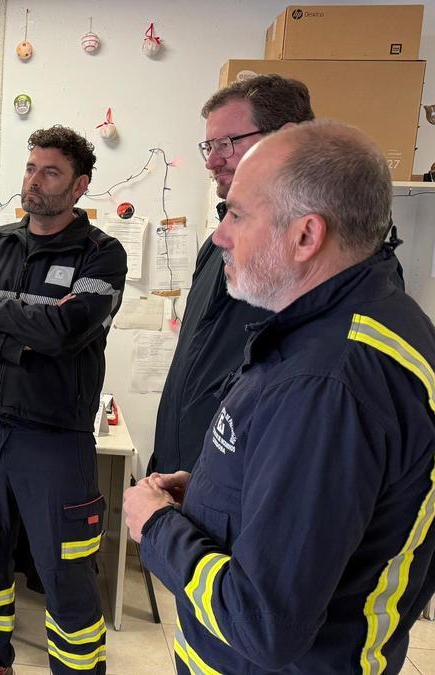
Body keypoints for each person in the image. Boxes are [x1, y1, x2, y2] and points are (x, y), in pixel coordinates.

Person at [125, 121, 435, 674]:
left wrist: (157, 526)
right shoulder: (378, 317)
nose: (219, 236)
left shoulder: (326, 381)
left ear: (306, 236)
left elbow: (262, 623)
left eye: (237, 215)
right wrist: (215, 497)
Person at [0, 126, 128, 675]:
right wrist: (24, 341)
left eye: (50, 172)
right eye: (31, 168)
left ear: (79, 186)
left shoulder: (103, 253)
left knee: (65, 568)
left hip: (53, 436)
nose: (34, 182)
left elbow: (67, 330)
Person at [149, 75, 314, 476]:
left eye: (226, 144)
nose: (211, 160)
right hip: (185, 476)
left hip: (241, 491)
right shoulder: (218, 245)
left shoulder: (314, 255)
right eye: (209, 146)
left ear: (286, 139)